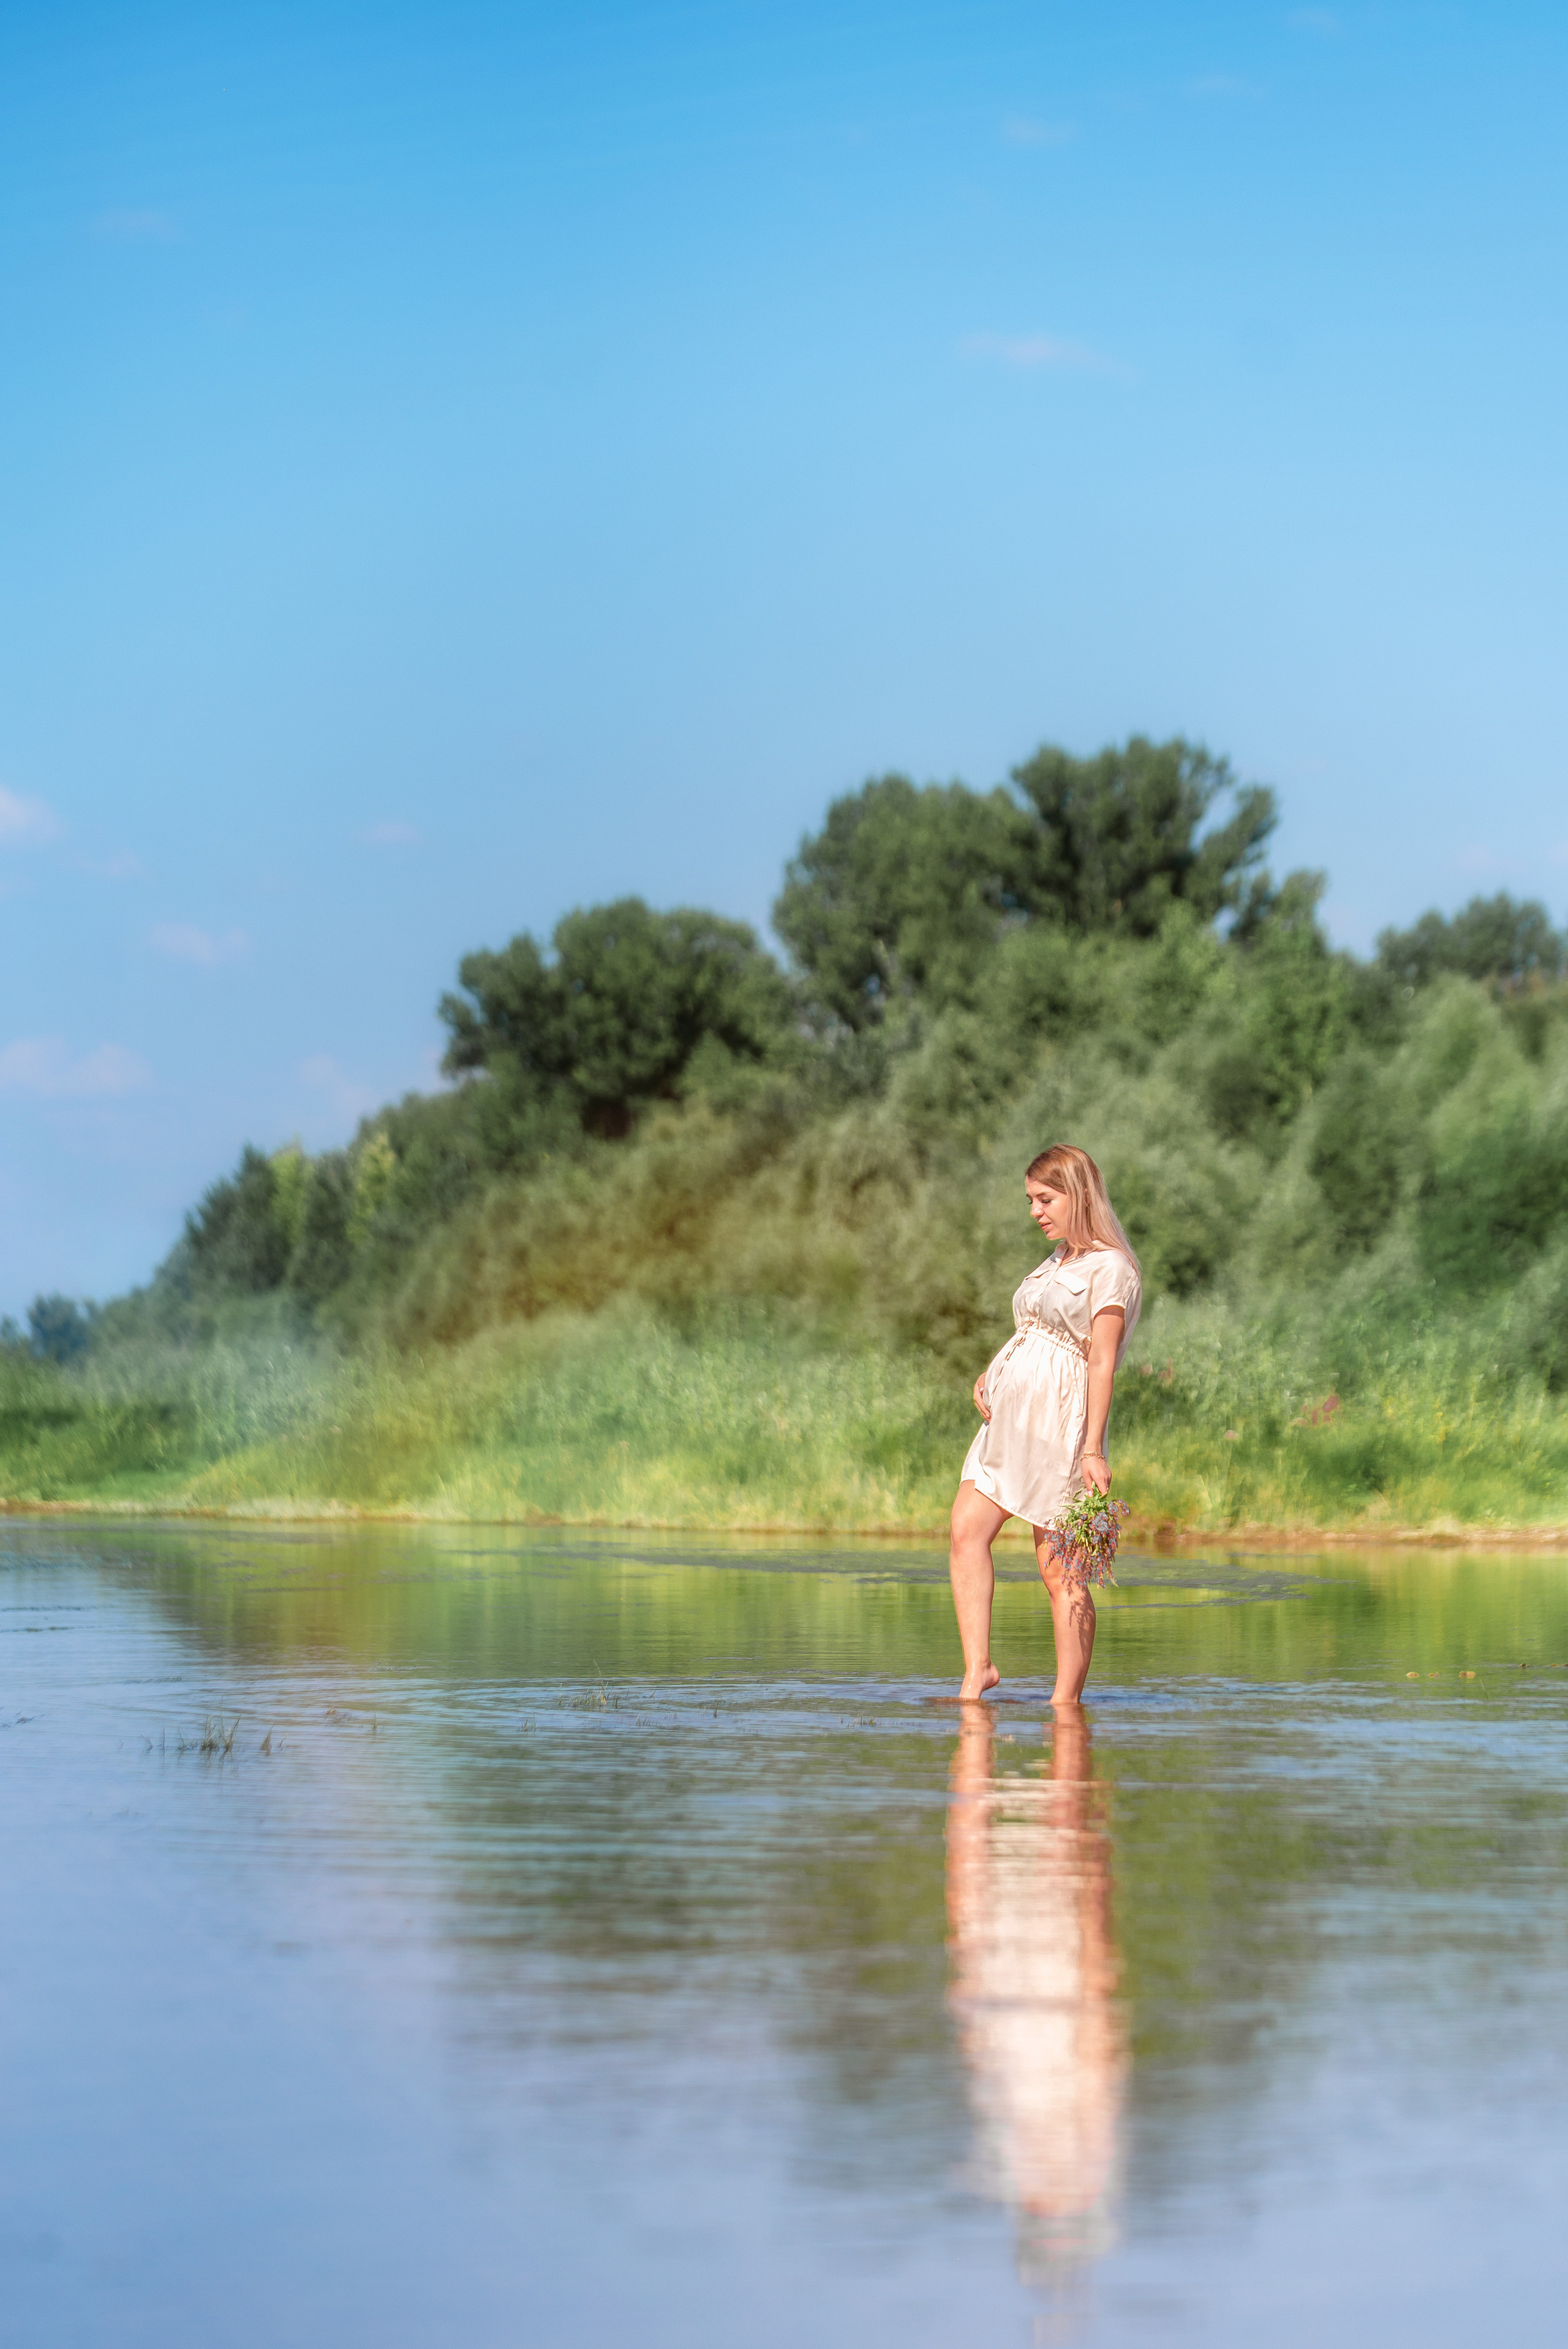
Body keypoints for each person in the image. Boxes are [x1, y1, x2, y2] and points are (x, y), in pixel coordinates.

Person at [949, 1144, 1141, 1705]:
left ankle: (1065, 1705)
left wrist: (1093, 1449)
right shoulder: (1054, 1261)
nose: (1035, 1210)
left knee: (1060, 1572)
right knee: (966, 1531)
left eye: (1045, 1198)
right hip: (1007, 1424)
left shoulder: (1113, 1269)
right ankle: (977, 1671)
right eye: (1031, 1200)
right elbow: (1033, 1330)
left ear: (1078, 1195)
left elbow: (1100, 1360)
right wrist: (993, 1369)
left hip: (1061, 1425)